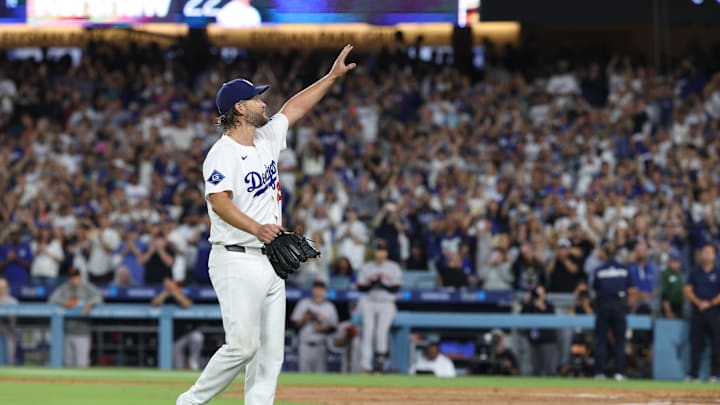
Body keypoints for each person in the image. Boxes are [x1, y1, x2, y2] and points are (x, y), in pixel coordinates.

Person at [176, 45, 356, 405]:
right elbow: (219, 201)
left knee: (270, 355)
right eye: (257, 98)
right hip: (235, 257)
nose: (264, 103)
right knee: (243, 345)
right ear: (240, 108)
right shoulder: (222, 152)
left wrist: (332, 77)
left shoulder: (266, 138)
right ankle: (191, 402)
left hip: (270, 259)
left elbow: (295, 108)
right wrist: (256, 227)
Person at [591, 240, 637, 381]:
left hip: (604, 306)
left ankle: (599, 372)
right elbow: (632, 291)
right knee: (620, 341)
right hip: (619, 306)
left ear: (604, 253)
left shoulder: (599, 270)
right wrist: (629, 306)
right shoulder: (624, 269)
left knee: (601, 340)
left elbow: (596, 289)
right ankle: (619, 372)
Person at [357, 239, 403, 373]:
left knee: (381, 333)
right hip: (369, 302)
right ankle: (366, 366)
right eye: (378, 250)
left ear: (386, 253)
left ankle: (379, 366)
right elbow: (360, 287)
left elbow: (396, 288)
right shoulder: (367, 267)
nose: (380, 253)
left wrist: (382, 284)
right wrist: (372, 284)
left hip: (386, 303)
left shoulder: (393, 267)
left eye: (383, 251)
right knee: (367, 333)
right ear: (374, 252)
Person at [48, 268, 103, 367]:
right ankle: (70, 383)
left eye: (75, 277)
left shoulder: (87, 287)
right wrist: (63, 303)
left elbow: (99, 298)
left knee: (82, 363)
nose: (73, 280)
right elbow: (51, 299)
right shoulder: (64, 287)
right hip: (67, 331)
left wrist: (89, 303)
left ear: (80, 277)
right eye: (71, 277)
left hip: (82, 332)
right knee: (68, 363)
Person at [683, 244, 720, 382]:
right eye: (704, 252)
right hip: (697, 311)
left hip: (714, 312)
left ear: (714, 255)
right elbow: (687, 289)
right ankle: (693, 374)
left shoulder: (718, 272)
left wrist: (710, 303)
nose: (706, 255)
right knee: (696, 344)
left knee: (716, 344)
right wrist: (699, 302)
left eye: (709, 252)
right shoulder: (695, 272)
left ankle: (715, 374)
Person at [290, 279, 339, 372]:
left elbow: (334, 328)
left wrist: (324, 329)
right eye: (316, 289)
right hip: (305, 345)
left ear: (325, 291)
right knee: (303, 376)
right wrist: (305, 319)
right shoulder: (304, 303)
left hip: (321, 345)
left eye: (321, 289)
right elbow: (294, 325)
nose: (318, 291)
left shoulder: (329, 307)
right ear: (312, 290)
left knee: (320, 376)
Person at [521, 285, 559, 376]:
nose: (539, 296)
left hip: (547, 340)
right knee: (535, 369)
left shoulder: (550, 306)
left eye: (542, 293)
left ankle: (552, 388)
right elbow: (521, 317)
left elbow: (551, 319)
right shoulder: (530, 306)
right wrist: (527, 303)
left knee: (549, 368)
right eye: (537, 294)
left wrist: (541, 307)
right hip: (533, 339)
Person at [660, 249, 684, 319]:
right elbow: (664, 295)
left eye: (677, 261)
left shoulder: (682, 274)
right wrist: (668, 311)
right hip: (668, 306)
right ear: (669, 262)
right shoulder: (665, 273)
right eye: (673, 261)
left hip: (680, 306)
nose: (676, 263)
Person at [0, 277, 18, 365]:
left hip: (9, 332)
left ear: (7, 288)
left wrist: (5, 312)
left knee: (9, 360)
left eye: (3, 287)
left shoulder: (12, 301)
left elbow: (13, 318)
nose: (1, 289)